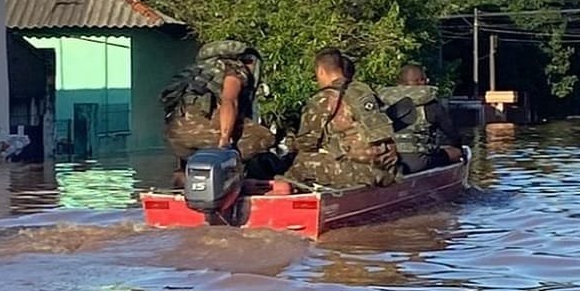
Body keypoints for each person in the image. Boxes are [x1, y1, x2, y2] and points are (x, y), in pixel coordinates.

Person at [161, 40, 276, 184]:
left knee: (195, 146)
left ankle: (183, 177)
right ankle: (236, 176)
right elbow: (229, 101)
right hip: (202, 130)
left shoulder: (196, 71)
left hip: (173, 137)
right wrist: (225, 140)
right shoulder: (234, 69)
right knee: (264, 137)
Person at [283, 47, 400, 188]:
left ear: (321, 71)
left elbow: (307, 143)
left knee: (302, 162)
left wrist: (291, 143)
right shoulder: (363, 90)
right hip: (387, 169)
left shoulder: (325, 98)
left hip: (359, 173)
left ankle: (282, 195)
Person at [378, 64, 463, 175]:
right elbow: (452, 134)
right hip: (417, 162)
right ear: (422, 81)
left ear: (399, 83)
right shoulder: (431, 105)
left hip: (386, 160)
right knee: (456, 153)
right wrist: (458, 147)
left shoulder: (381, 103)